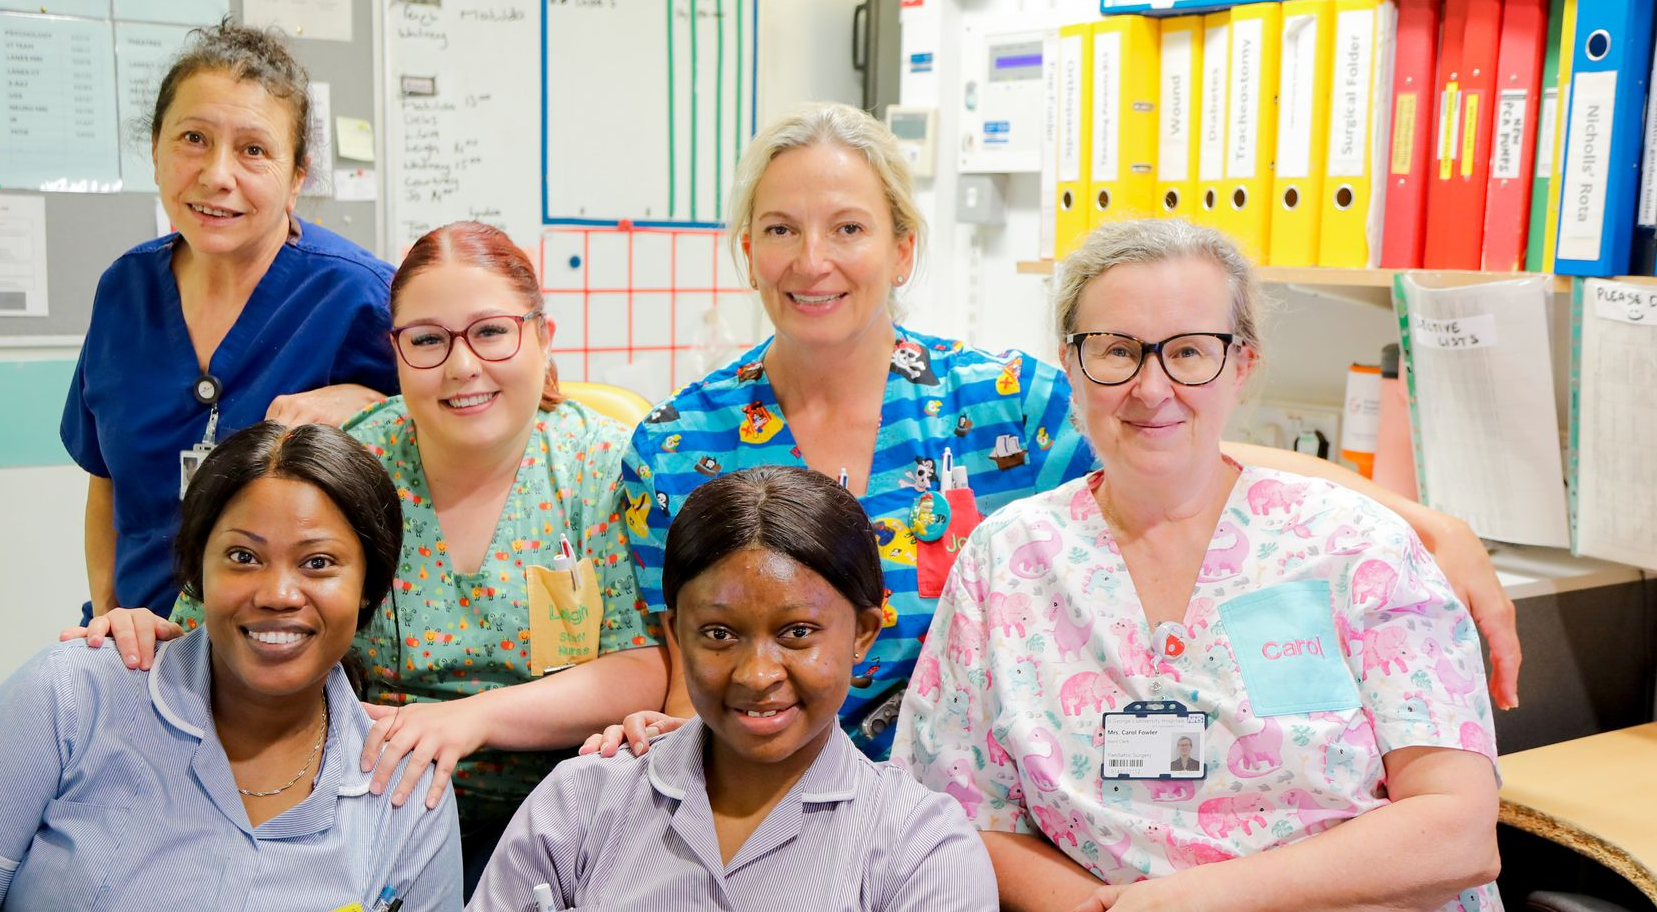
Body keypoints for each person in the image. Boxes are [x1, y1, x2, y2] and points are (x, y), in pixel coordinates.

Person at [589, 102, 1522, 763]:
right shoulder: (676, 444)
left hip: (961, 805)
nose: (813, 260)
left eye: (848, 228)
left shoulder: (1000, 404)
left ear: (904, 248)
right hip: (772, 799)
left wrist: (1425, 524)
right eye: (781, 229)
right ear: (746, 250)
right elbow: (687, 684)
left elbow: (1182, 446)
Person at [896, 219, 1502, 912]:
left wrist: (1192, 901)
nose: (1152, 388)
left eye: (1188, 352)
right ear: (1070, 364)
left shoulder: (1358, 550)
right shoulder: (1006, 563)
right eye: (1116, 350)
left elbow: (1458, 832)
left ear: (1242, 364)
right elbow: (949, 814)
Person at [73, 222, 668, 893]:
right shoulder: (352, 460)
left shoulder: (608, 469)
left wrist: (470, 719)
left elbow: (644, 667)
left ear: (543, 338)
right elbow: (217, 613)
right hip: (365, 802)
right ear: (396, 352)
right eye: (427, 341)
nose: (462, 366)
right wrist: (141, 629)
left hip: (557, 816)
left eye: (492, 332)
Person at [0, 423, 461, 912]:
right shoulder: (72, 696)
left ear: (367, 587)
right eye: (243, 556)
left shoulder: (405, 790)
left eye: (318, 562)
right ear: (196, 573)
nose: (279, 592)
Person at [470, 466, 996, 911]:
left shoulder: (922, 848)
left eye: (797, 633)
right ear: (677, 634)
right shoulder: (579, 805)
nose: (756, 674)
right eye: (719, 634)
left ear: (862, 632)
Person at [62, 21, 400, 627]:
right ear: (156, 151)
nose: (218, 174)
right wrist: (107, 619)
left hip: (291, 651)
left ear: (297, 176)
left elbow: (463, 429)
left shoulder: (357, 297)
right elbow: (105, 484)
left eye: (253, 150)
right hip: (143, 645)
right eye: (193, 138)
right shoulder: (124, 291)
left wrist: (372, 400)